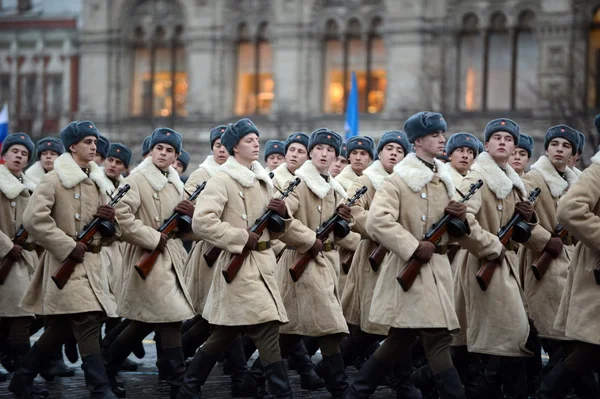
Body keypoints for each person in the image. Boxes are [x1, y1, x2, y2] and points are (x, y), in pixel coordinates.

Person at [178, 118, 292, 398]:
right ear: (234, 148)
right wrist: (242, 237)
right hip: (237, 269)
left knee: (228, 332)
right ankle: (280, 392)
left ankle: (189, 386)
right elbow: (202, 223)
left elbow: (274, 232)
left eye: (256, 139)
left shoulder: (264, 180)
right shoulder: (221, 180)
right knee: (262, 328)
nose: (256, 144)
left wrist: (283, 216)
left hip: (262, 266)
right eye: (249, 141)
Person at [10, 121, 119, 399]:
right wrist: (68, 246)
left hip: (91, 264)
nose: (94, 146)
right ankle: (99, 387)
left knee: (58, 329)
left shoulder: (96, 181)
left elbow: (107, 232)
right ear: (72, 146)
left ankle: (21, 379)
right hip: (65, 265)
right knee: (87, 320)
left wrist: (109, 224)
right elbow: (34, 219)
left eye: (95, 142)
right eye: (87, 142)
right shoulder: (55, 179)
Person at [453, 118, 545, 399]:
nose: (503, 142)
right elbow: (461, 219)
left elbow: (520, 230)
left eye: (508, 139)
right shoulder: (477, 176)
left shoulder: (515, 183)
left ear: (515, 146)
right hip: (482, 263)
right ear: (487, 144)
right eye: (497, 138)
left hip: (506, 266)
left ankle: (475, 388)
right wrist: (491, 245)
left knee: (504, 334)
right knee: (509, 332)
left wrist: (530, 220)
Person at [104, 128, 195, 399]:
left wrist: (191, 219)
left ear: (175, 156)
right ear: (151, 151)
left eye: (169, 151)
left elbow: (183, 228)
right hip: (148, 258)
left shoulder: (175, 182)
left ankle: (106, 366)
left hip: (170, 259)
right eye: (159, 149)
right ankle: (180, 385)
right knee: (168, 319)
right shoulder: (138, 179)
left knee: (145, 323)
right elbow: (120, 216)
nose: (163, 154)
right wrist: (153, 237)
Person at [339, 131, 421, 398]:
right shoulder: (365, 181)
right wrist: (384, 231)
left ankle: (402, 383)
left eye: (399, 149)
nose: (394, 153)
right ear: (380, 154)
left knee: (399, 322)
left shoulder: (409, 183)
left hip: (401, 257)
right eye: (389, 148)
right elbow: (351, 211)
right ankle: (335, 368)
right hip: (374, 258)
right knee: (371, 326)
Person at [519, 125, 585, 397]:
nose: (559, 149)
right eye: (555, 144)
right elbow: (519, 217)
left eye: (565, 146)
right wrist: (545, 239)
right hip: (542, 261)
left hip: (570, 261)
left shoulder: (577, 182)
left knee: (564, 336)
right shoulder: (532, 178)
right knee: (554, 334)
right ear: (546, 149)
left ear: (572, 155)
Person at [543, 115, 600, 399]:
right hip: (595, 272)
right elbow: (570, 211)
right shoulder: (598, 172)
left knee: (586, 348)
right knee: (588, 346)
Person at [0, 133, 45, 394]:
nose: (19, 156)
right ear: (4, 156)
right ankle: (23, 378)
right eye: (14, 151)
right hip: (6, 260)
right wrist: (8, 247)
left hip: (25, 261)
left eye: (24, 153)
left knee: (18, 319)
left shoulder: (30, 187)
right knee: (20, 321)